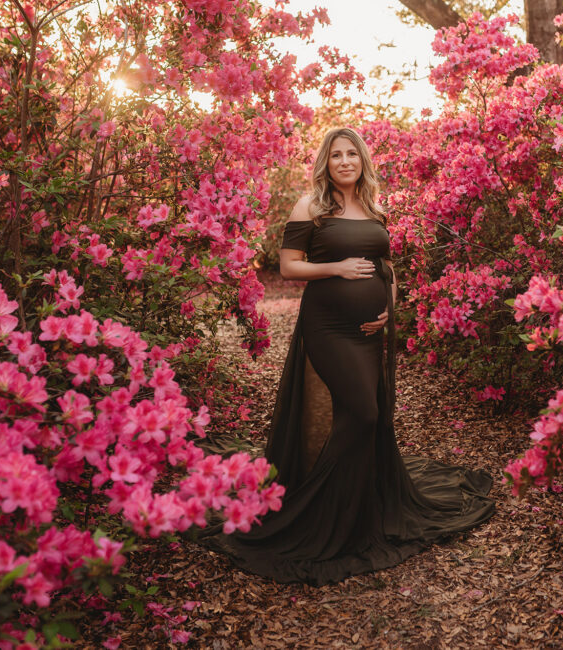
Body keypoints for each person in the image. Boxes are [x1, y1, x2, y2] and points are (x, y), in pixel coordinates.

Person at [198, 127, 495, 585]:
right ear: (326, 162)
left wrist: (388, 307)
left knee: (364, 415)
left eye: (350, 154)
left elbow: (385, 265)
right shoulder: (310, 207)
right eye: (335, 155)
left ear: (362, 160)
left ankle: (358, 506)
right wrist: (335, 267)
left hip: (368, 331)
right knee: (363, 412)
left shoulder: (375, 207)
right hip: (327, 327)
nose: (343, 161)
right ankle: (316, 509)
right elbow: (288, 266)